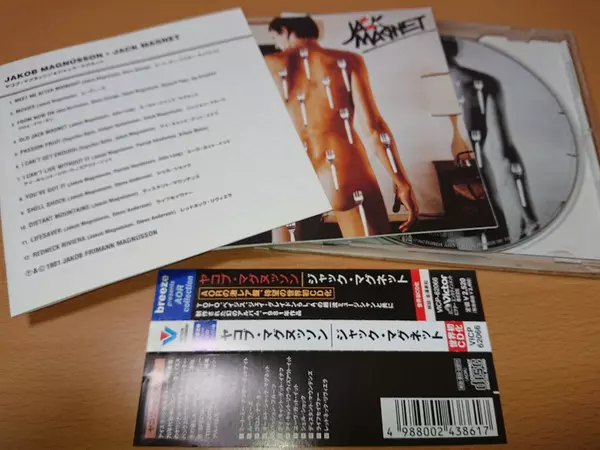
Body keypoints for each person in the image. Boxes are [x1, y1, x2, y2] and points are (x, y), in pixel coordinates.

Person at [265, 16, 419, 243]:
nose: (277, 45)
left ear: (285, 31)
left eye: (275, 38)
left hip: (292, 173)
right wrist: (402, 183)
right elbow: (373, 128)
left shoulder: (268, 65)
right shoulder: (347, 61)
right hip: (343, 170)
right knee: (376, 257)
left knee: (290, 262)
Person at [441, 36, 539, 241]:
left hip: (467, 183)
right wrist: (529, 217)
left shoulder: (480, 84)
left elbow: (505, 151)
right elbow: (506, 151)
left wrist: (529, 218)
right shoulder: (482, 83)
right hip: (465, 183)